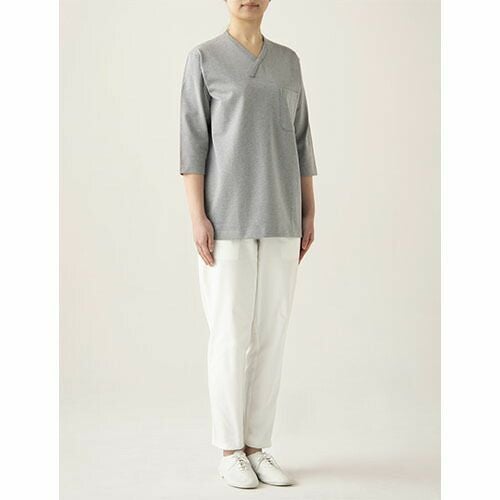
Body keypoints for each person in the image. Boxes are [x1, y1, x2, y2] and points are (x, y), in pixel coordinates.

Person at [179, 0, 317, 489]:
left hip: (281, 214)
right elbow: (193, 141)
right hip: (227, 218)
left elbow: (301, 139)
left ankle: (258, 446)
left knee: (271, 334)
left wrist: (308, 209)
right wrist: (197, 216)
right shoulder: (204, 59)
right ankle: (230, 449)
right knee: (229, 335)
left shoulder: (288, 62)